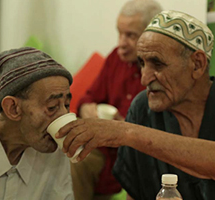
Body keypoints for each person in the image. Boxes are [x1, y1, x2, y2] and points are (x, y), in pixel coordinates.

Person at [58, 10, 215, 200]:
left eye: (157, 63)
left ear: (197, 64)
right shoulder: (143, 107)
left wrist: (125, 132)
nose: (145, 79)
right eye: (142, 63)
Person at [0, 47, 74, 200]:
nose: (63, 117)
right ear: (13, 108)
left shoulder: (55, 152)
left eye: (66, 105)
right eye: (52, 107)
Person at [71, 0, 162, 199]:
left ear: (152, 35)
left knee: (76, 162)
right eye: (119, 33)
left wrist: (125, 130)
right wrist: (87, 107)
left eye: (130, 35)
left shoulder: (163, 72)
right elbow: (89, 96)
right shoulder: (115, 58)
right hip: (102, 150)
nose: (121, 42)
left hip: (137, 156)